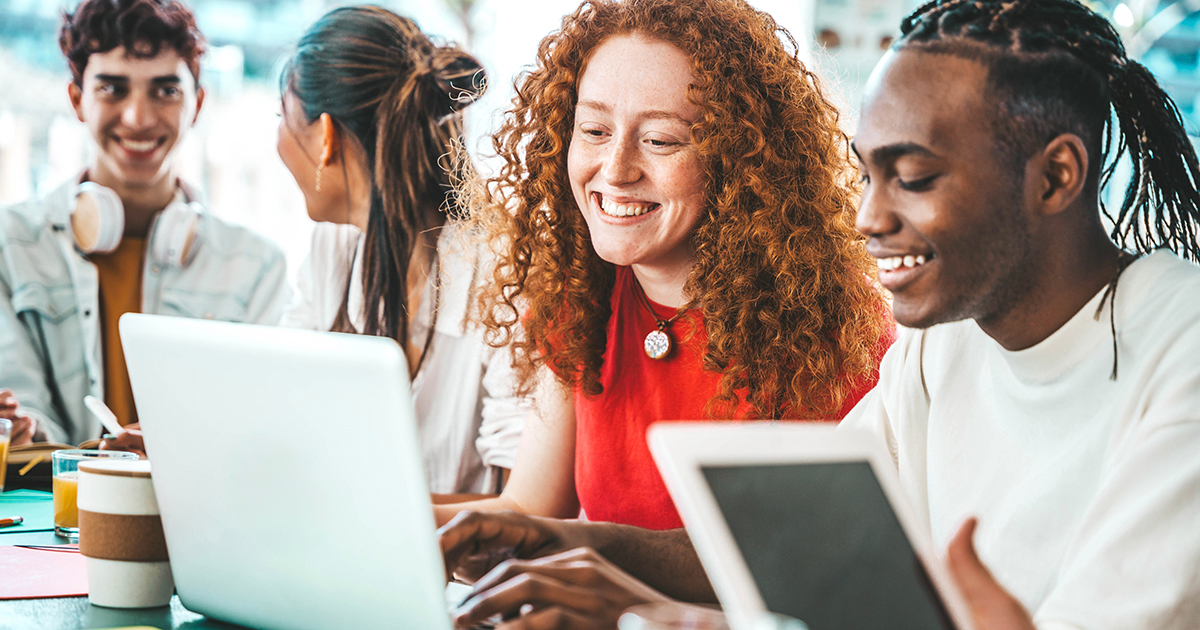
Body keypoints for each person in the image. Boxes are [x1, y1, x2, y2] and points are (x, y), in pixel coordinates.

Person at [440, 1, 1200, 629]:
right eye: (868, 175)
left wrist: (647, 617)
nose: (869, 218)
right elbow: (794, 555)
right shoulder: (942, 348)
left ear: (1058, 175)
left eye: (914, 177)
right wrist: (573, 552)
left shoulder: (1181, 347)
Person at [435, 0, 892, 620]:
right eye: (593, 130)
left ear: (741, 157)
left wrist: (589, 549)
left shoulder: (823, 323)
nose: (615, 170)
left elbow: (789, 565)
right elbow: (529, 513)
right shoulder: (584, 294)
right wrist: (381, 512)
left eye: (660, 140)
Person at [0, 0, 290, 447]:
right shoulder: (10, 245)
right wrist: (22, 431)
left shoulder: (256, 268)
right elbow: (23, 406)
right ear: (77, 100)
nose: (138, 117)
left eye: (165, 90)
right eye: (113, 89)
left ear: (197, 105)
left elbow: (258, 433)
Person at [275, 6, 531, 495]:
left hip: (476, 574)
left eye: (281, 118)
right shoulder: (333, 250)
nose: (277, 140)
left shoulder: (504, 272)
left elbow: (527, 513)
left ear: (325, 137)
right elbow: (285, 414)